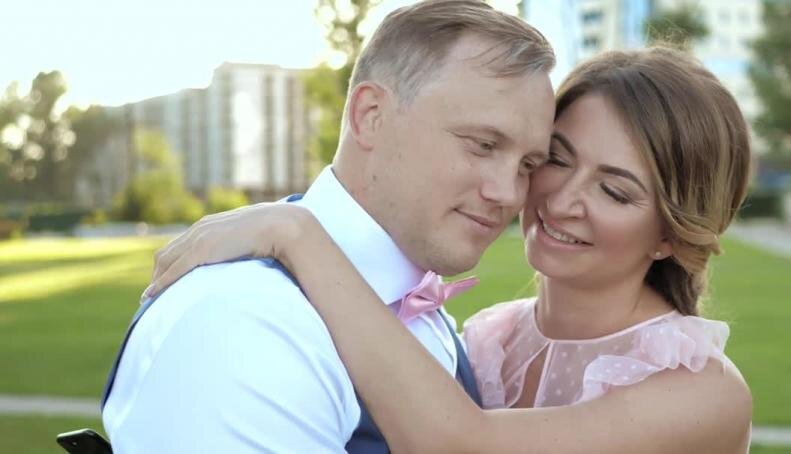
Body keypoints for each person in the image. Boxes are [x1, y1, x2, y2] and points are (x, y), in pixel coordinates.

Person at [149, 45, 754, 452]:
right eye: (555, 159)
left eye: (614, 191)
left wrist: (297, 232)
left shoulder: (702, 392)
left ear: (672, 234)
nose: (562, 199)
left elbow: (459, 444)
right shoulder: (491, 338)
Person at [100, 1, 556, 451]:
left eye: (528, 165)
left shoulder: (419, 306)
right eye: (482, 144)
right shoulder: (244, 323)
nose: (509, 194)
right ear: (370, 115)